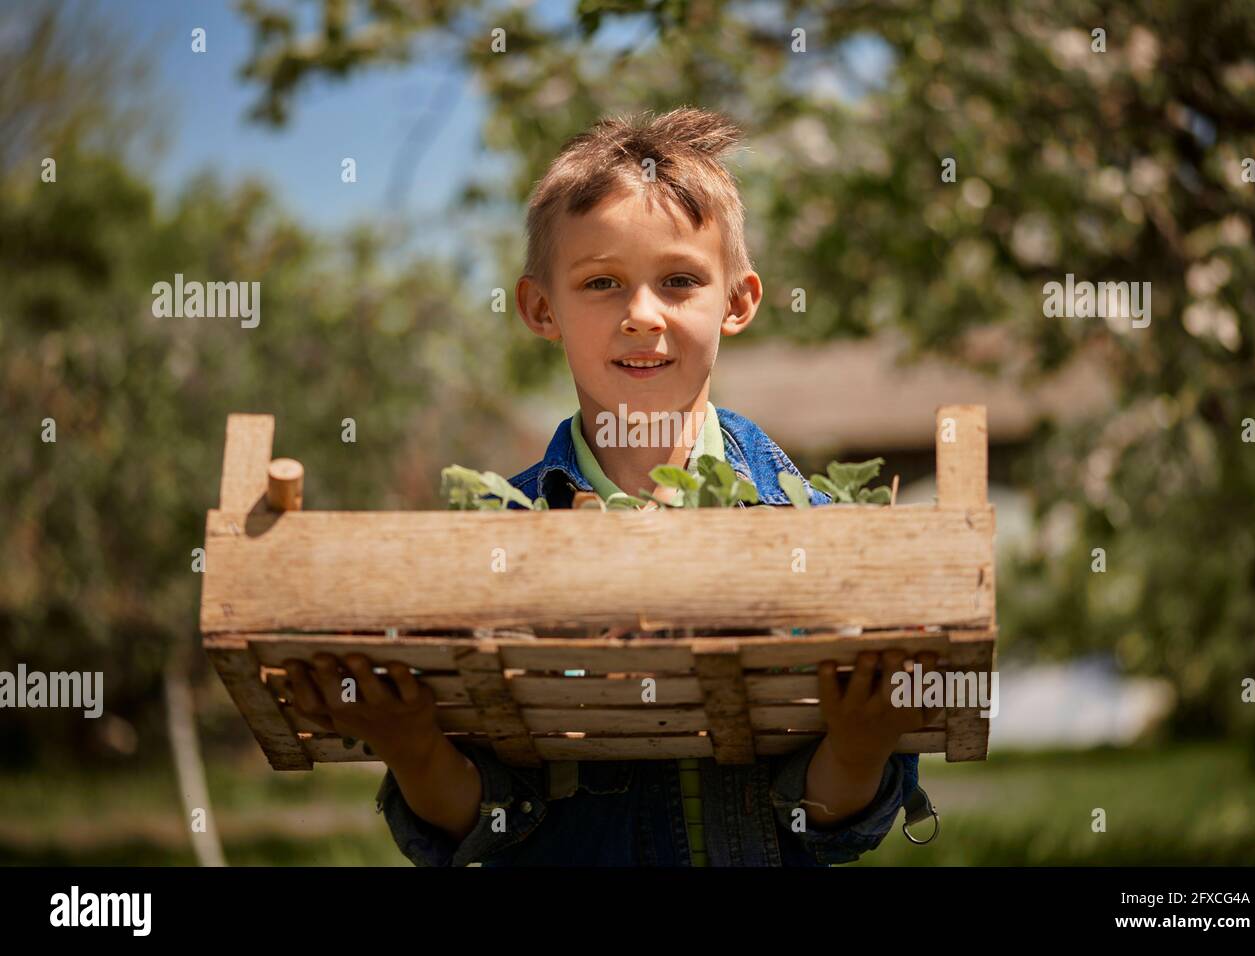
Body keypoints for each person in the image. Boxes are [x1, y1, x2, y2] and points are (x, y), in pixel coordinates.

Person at [285, 106, 938, 865]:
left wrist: (861, 745)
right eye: (601, 283)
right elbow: (482, 821)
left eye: (679, 281)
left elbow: (831, 826)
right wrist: (413, 749)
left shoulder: (819, 534)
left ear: (738, 301)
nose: (641, 316)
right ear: (539, 307)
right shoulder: (493, 545)